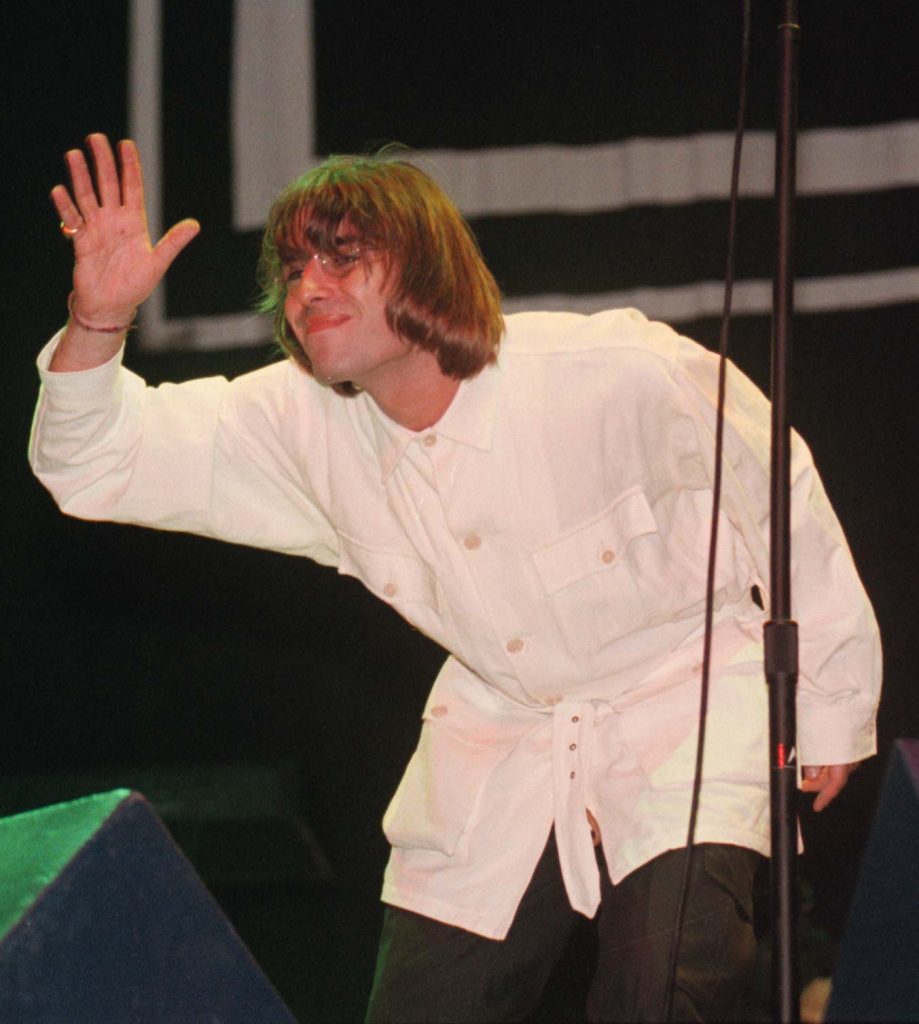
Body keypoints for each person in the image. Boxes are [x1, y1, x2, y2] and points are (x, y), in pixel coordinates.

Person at [31, 133, 881, 1022]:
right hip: (501, 729)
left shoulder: (606, 371)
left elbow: (770, 481)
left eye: (342, 258)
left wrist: (829, 693)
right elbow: (90, 464)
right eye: (292, 269)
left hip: (687, 699)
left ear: (428, 269)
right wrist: (99, 321)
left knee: (661, 989)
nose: (308, 285)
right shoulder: (295, 423)